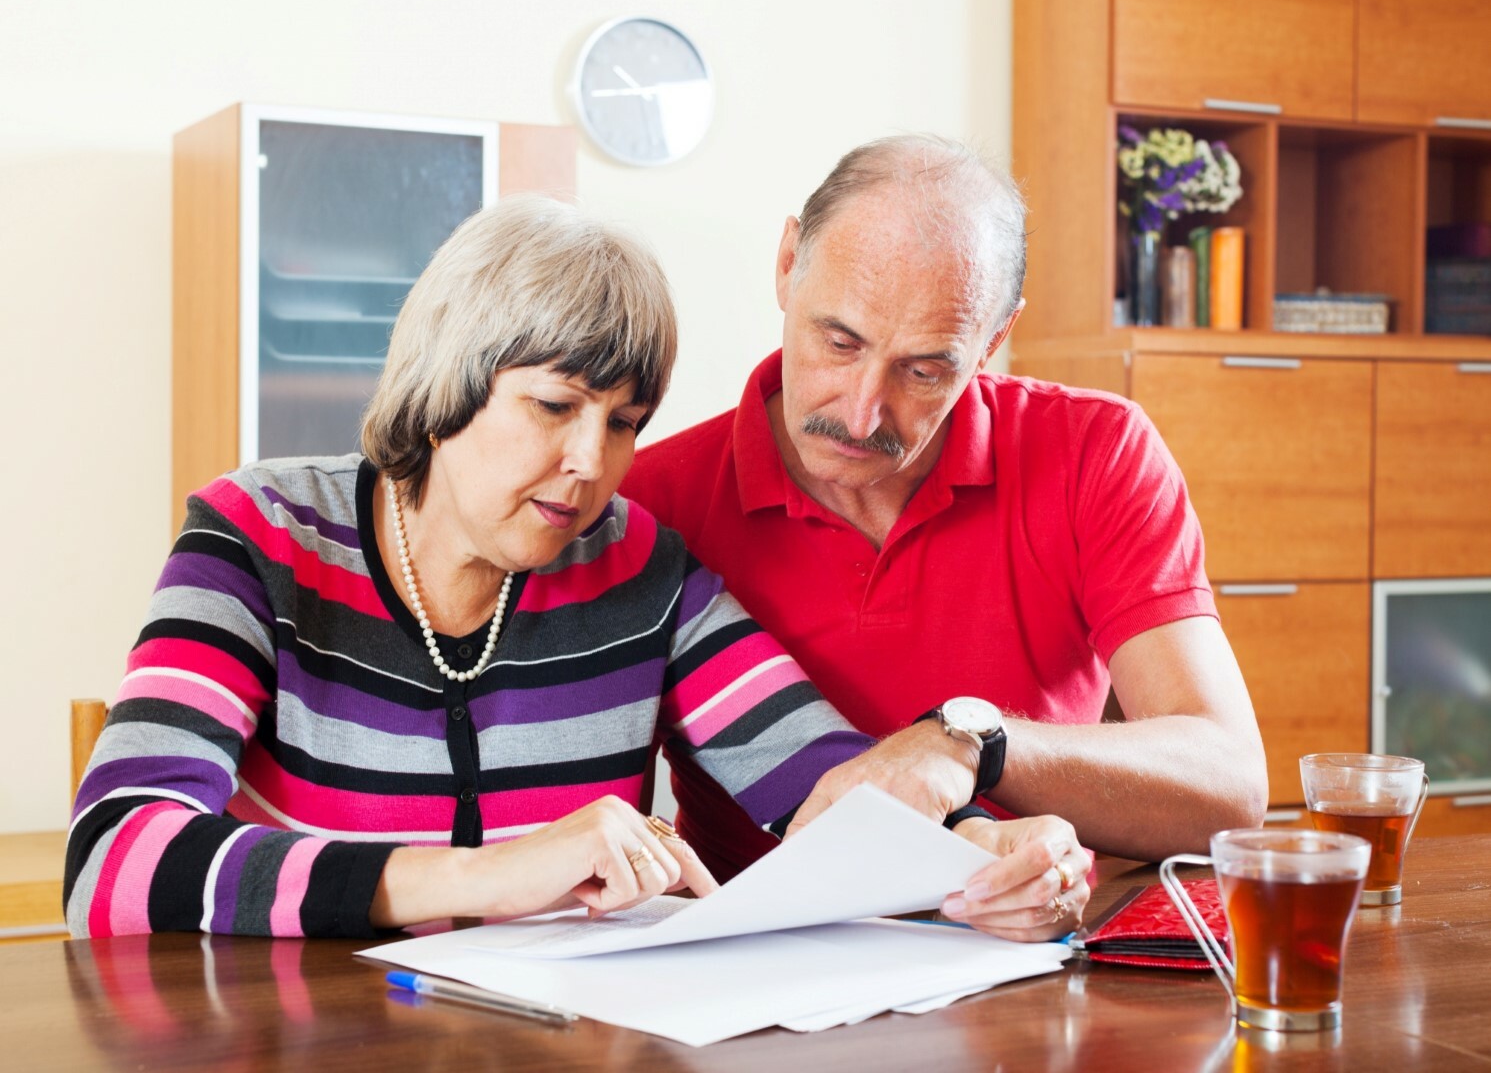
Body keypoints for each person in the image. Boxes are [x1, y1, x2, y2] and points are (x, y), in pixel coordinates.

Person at [66, 195, 1089, 942]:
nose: (590, 464)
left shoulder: (639, 567)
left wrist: (983, 854)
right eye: (553, 407)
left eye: (625, 422)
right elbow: (115, 857)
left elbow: (825, 784)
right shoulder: (260, 537)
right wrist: (489, 876)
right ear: (449, 380)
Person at [621, 137, 1269, 920]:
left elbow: (1229, 787)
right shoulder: (644, 500)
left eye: (923, 370)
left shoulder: (1094, 451)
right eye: (839, 342)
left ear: (992, 340)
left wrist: (970, 742)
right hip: (758, 956)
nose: (861, 413)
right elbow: (590, 821)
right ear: (787, 263)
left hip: (1024, 953)